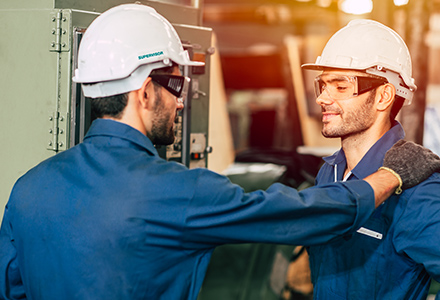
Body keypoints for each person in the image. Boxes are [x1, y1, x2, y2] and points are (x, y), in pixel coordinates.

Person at [0, 5, 438, 300]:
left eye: (339, 84)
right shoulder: (177, 193)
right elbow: (296, 214)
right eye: (175, 86)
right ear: (145, 90)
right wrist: (388, 178)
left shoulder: (28, 189)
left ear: (384, 95)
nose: (181, 102)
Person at [302, 19, 440, 299]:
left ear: (383, 96)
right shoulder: (329, 173)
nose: (322, 99)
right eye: (323, 85)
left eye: (340, 86)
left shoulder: (418, 191)